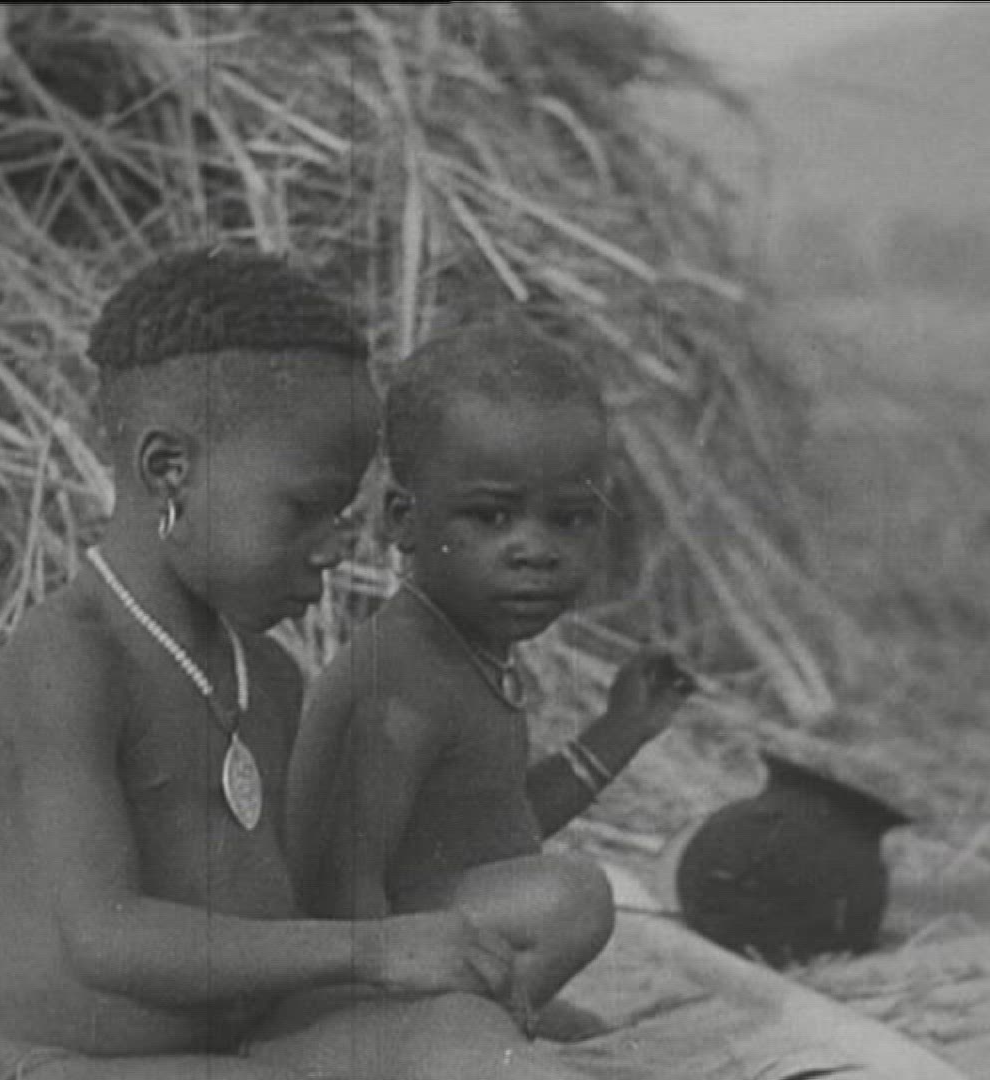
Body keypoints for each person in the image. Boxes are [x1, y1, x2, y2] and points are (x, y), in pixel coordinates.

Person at [0, 251, 587, 1079]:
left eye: (343, 515)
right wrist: (369, 951)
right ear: (168, 470)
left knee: (468, 1038)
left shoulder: (271, 677)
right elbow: (106, 937)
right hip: (71, 1062)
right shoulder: (70, 661)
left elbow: (305, 902)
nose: (334, 548)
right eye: (305, 508)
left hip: (249, 1040)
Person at [297, 316, 696, 1032]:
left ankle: (482, 1026)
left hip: (416, 933)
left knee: (593, 1030)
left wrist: (619, 732)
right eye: (491, 516)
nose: (534, 550)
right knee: (573, 896)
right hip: (356, 965)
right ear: (402, 520)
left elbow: (498, 834)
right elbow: (338, 880)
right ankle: (459, 1038)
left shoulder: (466, 651)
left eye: (569, 520)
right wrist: (377, 1025)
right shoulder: (402, 679)